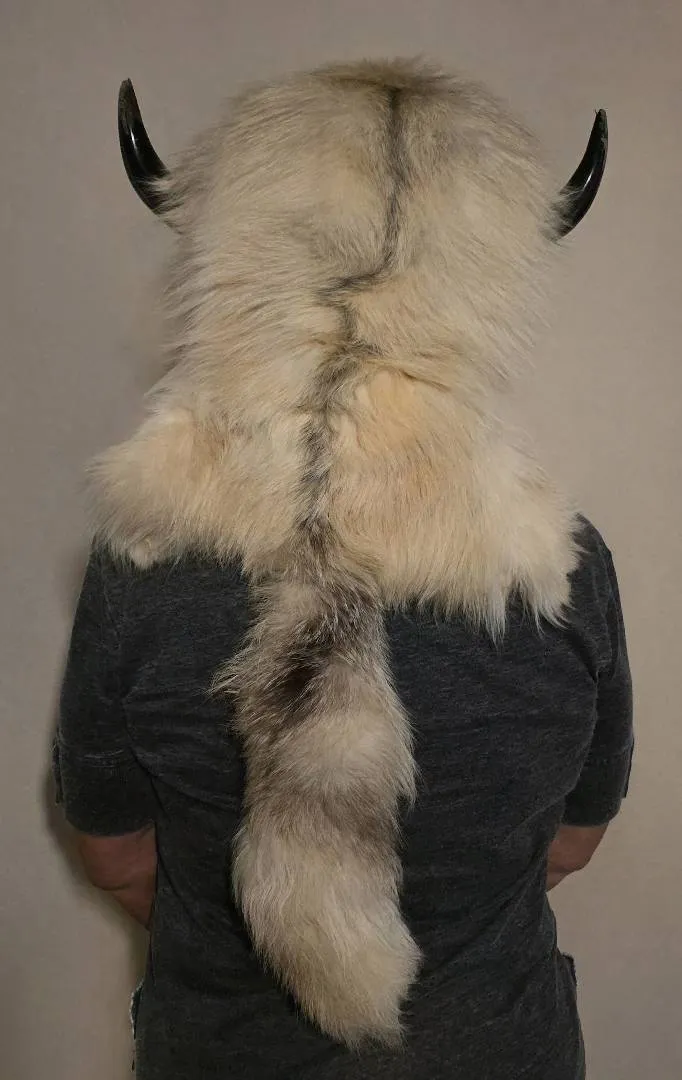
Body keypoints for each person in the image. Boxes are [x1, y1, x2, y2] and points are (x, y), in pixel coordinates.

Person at [53, 60, 633, 1080]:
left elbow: (114, 856)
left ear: (236, 263)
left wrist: (239, 957)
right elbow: (572, 841)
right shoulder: (566, 577)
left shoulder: (138, 570)